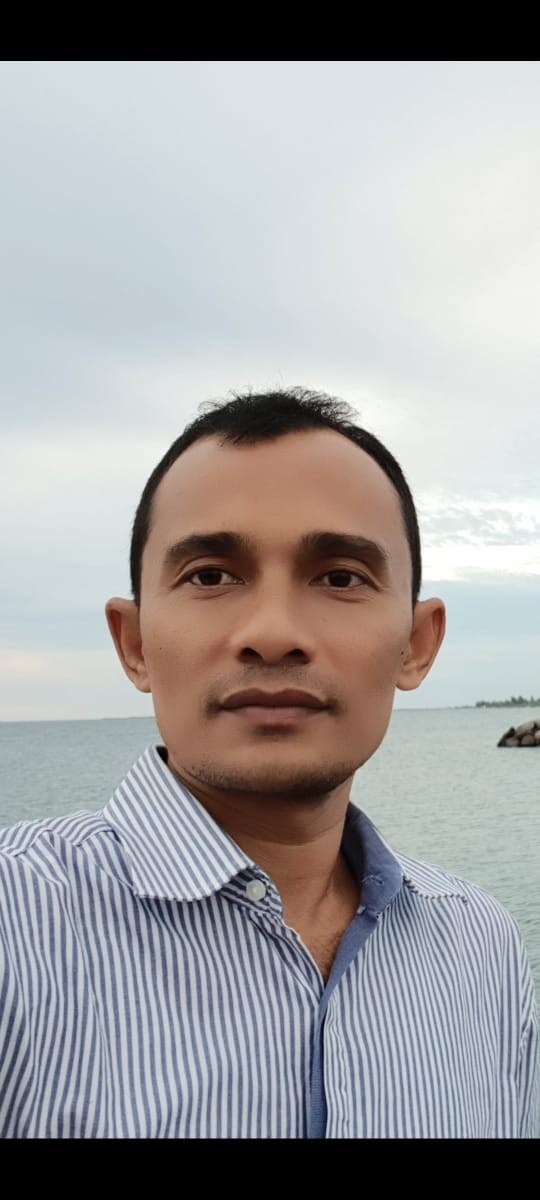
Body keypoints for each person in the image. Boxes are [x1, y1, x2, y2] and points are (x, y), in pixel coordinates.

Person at [0, 388, 537, 1139]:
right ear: (134, 643)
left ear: (417, 645)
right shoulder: (17, 928)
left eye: (341, 576)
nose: (275, 632)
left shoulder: (481, 946)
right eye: (210, 575)